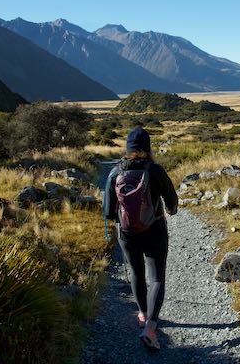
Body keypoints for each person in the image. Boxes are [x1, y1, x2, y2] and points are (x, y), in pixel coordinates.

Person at [102, 126, 178, 349]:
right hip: (154, 229)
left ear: (128, 148)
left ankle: (143, 314)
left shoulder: (116, 172)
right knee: (156, 278)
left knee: (136, 272)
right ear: (148, 147)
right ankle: (151, 329)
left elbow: (108, 211)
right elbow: (172, 201)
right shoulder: (155, 170)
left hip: (126, 233)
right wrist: (169, 210)